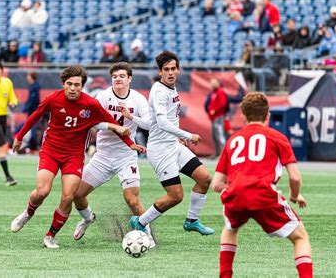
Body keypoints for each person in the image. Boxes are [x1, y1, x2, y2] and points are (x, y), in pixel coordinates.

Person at [10, 65, 145, 248]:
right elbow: (35, 116)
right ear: (63, 84)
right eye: (70, 84)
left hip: (73, 155)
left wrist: (130, 144)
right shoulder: (53, 99)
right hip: (51, 150)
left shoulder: (91, 104)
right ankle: (28, 213)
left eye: (77, 85)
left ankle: (50, 235)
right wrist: (19, 137)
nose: (73, 88)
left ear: (82, 86)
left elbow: (112, 123)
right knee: (42, 191)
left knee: (68, 196)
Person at [212, 92, 313, 278]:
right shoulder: (278, 137)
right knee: (300, 237)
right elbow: (295, 177)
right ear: (268, 115)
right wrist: (294, 195)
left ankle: (225, 275)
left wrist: (237, 186)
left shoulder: (233, 140)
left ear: (243, 116)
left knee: (229, 229)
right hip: (264, 195)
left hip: (236, 196)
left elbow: (216, 184)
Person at [129, 51, 214, 236]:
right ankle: (140, 222)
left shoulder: (171, 88)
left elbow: (157, 121)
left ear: (178, 70)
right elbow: (161, 123)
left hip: (173, 145)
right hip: (160, 151)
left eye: (173, 69)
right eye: (166, 69)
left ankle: (192, 220)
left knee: (204, 178)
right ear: (160, 71)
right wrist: (188, 135)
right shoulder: (159, 91)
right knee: (175, 196)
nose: (170, 73)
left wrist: (177, 136)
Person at [72, 62, 155, 246]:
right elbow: (92, 122)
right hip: (102, 156)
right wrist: (113, 126)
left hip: (126, 156)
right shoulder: (103, 96)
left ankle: (147, 235)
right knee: (76, 194)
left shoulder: (138, 99)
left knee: (132, 200)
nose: (118, 79)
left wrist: (132, 117)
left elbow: (150, 124)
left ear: (129, 79)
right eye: (115, 76)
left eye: (122, 76)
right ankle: (87, 218)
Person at [204, 78, 228, 159]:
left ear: (218, 83)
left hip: (219, 117)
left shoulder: (221, 92)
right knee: (215, 136)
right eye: (211, 83)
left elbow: (223, 104)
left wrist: (215, 110)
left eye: (215, 83)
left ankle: (223, 154)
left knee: (220, 135)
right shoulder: (212, 93)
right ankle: (217, 153)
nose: (213, 84)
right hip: (214, 118)